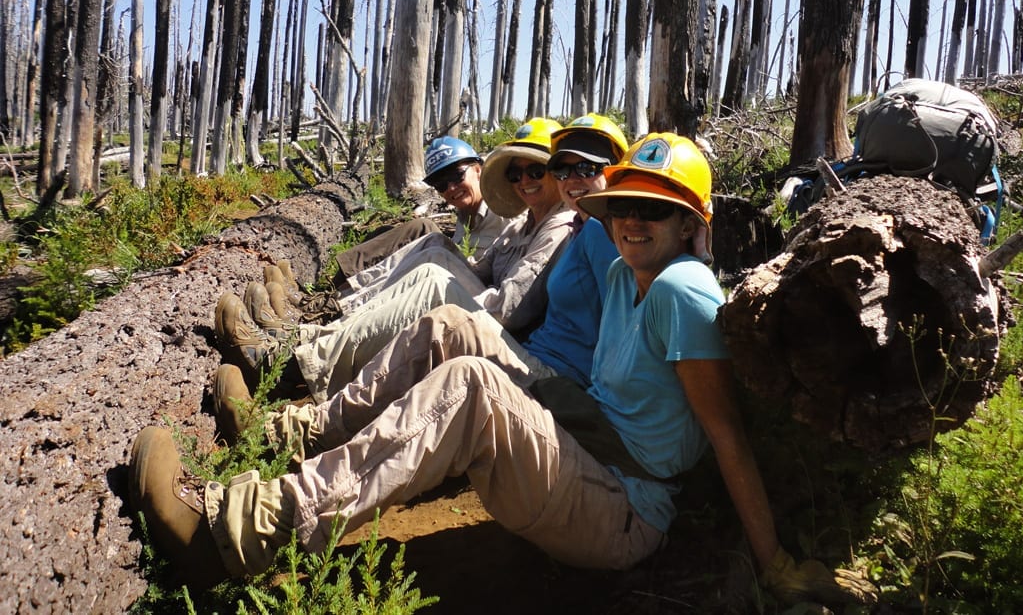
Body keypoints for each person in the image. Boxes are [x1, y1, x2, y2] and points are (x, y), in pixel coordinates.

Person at [129, 132, 858, 606]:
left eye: (654, 212)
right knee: (453, 328)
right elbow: (557, 273)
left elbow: (725, 435)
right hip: (593, 435)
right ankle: (293, 434)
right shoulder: (622, 271)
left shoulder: (680, 290)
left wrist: (774, 562)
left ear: (692, 223)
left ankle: (232, 535)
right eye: (625, 205)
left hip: (629, 507)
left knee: (471, 388)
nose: (633, 221)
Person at [212, 113, 628, 450]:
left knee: (436, 289)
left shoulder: (574, 228)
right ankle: (308, 340)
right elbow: (487, 274)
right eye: (520, 173)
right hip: (530, 346)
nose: (525, 180)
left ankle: (293, 369)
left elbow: (514, 308)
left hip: (536, 356)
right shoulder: (545, 223)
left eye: (538, 169)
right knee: (434, 257)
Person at [329, 136, 513, 290]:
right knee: (384, 232)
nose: (451, 188)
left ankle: (338, 291)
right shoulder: (465, 215)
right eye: (441, 185)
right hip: (454, 279)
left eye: (457, 176)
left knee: (423, 229)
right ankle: (338, 286)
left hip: (477, 293)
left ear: (479, 170)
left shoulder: (506, 210)